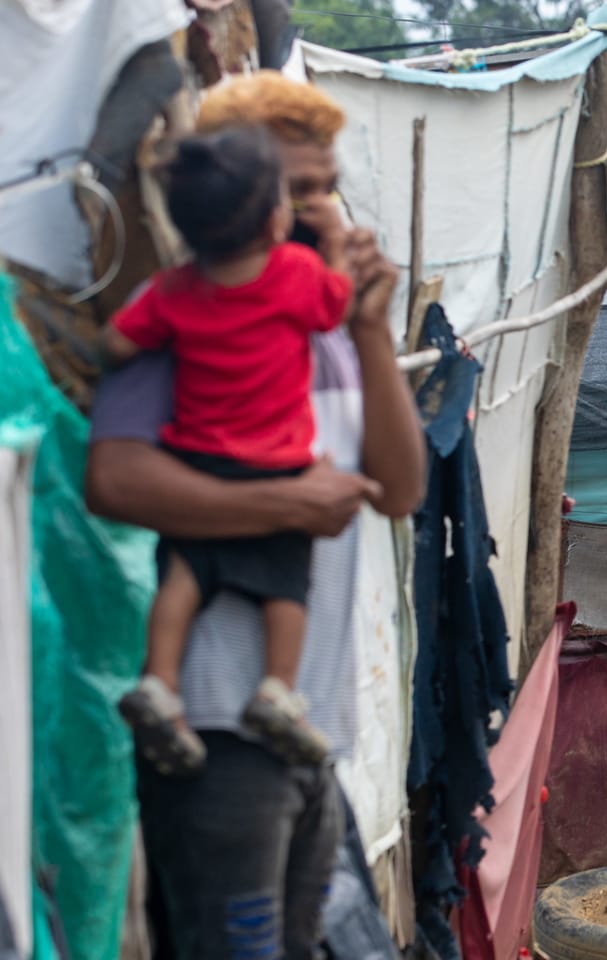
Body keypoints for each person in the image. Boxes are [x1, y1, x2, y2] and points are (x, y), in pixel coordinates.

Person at [85, 72, 424, 959]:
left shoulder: (325, 319)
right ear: (251, 202)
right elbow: (116, 481)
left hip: (308, 723)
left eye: (325, 186)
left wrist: (372, 331)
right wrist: (285, 502)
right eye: (296, 190)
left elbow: (400, 492)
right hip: (216, 727)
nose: (320, 209)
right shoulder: (195, 310)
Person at [107, 124, 354, 774]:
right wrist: (333, 241)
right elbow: (337, 306)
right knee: (286, 588)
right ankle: (277, 690)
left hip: (198, 459)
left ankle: (161, 682)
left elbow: (119, 342)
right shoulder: (297, 274)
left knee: (183, 577)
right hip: (281, 464)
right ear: (277, 219)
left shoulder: (173, 290)